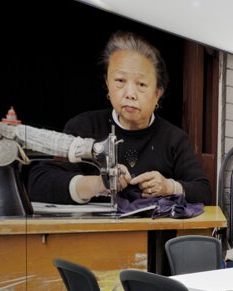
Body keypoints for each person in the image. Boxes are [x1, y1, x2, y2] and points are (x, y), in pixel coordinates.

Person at [27, 31, 211, 205]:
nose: (130, 93)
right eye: (120, 81)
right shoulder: (82, 127)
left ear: (157, 93)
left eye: (141, 84)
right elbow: (38, 183)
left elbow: (203, 191)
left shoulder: (174, 139)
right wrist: (97, 184)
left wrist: (169, 187)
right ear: (108, 83)